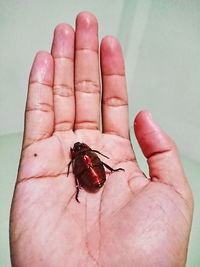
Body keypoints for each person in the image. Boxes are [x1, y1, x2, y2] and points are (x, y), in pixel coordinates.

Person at [10, 11, 193, 267]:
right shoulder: (87, 158)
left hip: (92, 180)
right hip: (95, 178)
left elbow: (78, 173)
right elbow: (82, 171)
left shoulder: (78, 160)